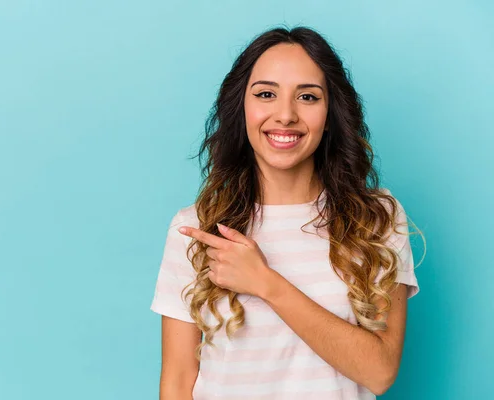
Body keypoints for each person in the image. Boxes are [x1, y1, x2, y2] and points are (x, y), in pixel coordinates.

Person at [150, 25, 425, 400]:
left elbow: (379, 373)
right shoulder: (195, 228)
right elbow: (178, 381)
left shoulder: (376, 218)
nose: (285, 115)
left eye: (308, 97)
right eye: (265, 94)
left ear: (329, 114)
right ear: (241, 108)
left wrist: (265, 283)